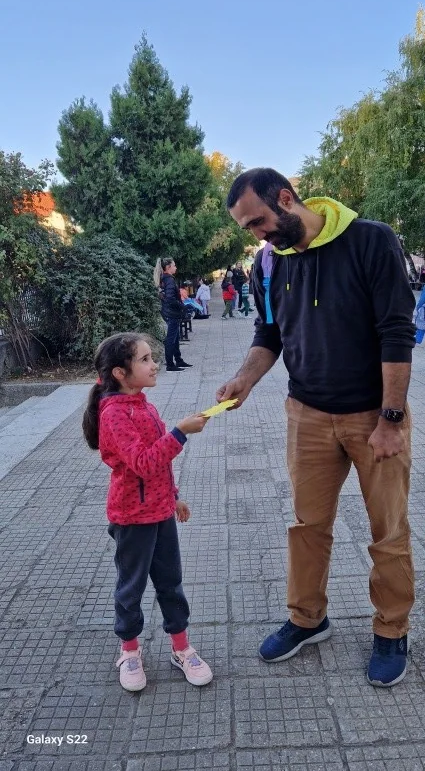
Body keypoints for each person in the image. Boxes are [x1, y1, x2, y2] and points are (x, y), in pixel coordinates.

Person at [217, 167, 416, 688]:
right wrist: (244, 379)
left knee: (388, 531)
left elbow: (397, 332)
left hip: (374, 416)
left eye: (258, 221)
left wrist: (392, 418)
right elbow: (269, 333)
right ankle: (307, 618)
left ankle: (391, 629)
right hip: (306, 414)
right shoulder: (269, 261)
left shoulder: (370, 240)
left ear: (286, 198)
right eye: (247, 227)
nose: (257, 234)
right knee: (307, 526)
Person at [82, 332, 213, 692]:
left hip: (161, 512)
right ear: (120, 373)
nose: (154, 364)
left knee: (171, 582)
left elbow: (159, 465)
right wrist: (180, 432)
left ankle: (181, 648)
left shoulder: (142, 404)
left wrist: (174, 497)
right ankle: (129, 651)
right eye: (144, 359)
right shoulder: (114, 414)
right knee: (131, 587)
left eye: (151, 357)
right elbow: (143, 462)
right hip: (132, 519)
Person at [153, 257, 192, 372]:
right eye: (174, 265)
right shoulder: (169, 280)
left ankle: (178, 360)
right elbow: (170, 298)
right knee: (171, 339)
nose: (176, 267)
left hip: (168, 312)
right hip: (171, 313)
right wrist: (182, 306)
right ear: (168, 267)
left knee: (175, 338)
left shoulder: (165, 279)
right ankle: (170, 365)